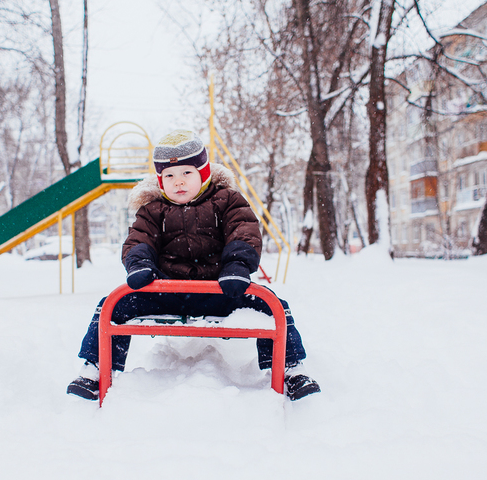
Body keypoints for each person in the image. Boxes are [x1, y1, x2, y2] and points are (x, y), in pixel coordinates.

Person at [67, 129, 320, 401]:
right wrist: (140, 264)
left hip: (220, 290)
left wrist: (236, 266)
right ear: (160, 181)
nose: (178, 182)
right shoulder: (153, 210)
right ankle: (94, 368)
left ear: (204, 172)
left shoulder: (227, 201)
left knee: (273, 306)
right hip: (167, 292)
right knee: (113, 305)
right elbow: (139, 239)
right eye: (169, 176)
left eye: (187, 173)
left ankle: (291, 369)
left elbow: (243, 231)